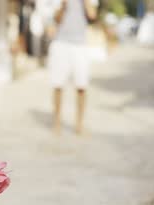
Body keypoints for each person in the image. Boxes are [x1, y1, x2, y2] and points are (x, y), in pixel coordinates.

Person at [48, 0, 98, 135]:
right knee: (58, 85)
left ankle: (79, 125)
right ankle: (57, 123)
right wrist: (63, 6)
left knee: (82, 86)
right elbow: (56, 19)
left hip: (80, 45)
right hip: (60, 43)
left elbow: (92, 16)